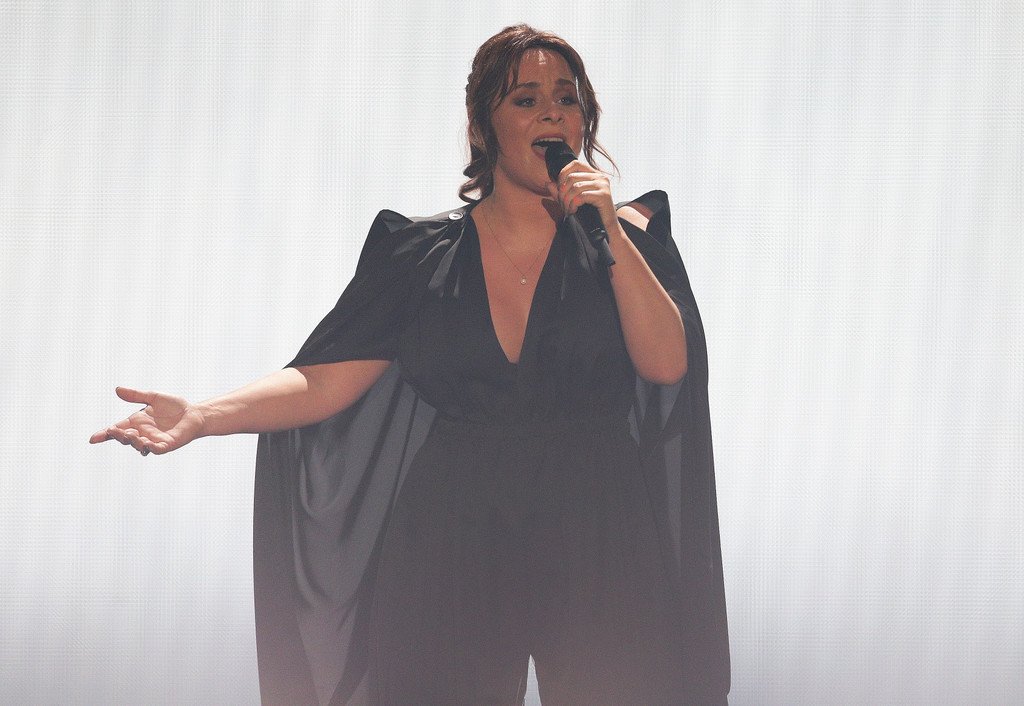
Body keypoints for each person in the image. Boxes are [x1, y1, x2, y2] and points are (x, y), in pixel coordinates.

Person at [91, 24, 729, 706]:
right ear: (482, 127)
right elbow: (324, 378)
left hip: (599, 517)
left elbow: (668, 363)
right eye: (526, 99)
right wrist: (202, 414)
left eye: (567, 99)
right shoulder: (419, 254)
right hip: (455, 523)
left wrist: (606, 230)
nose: (552, 113)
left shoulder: (627, 236)